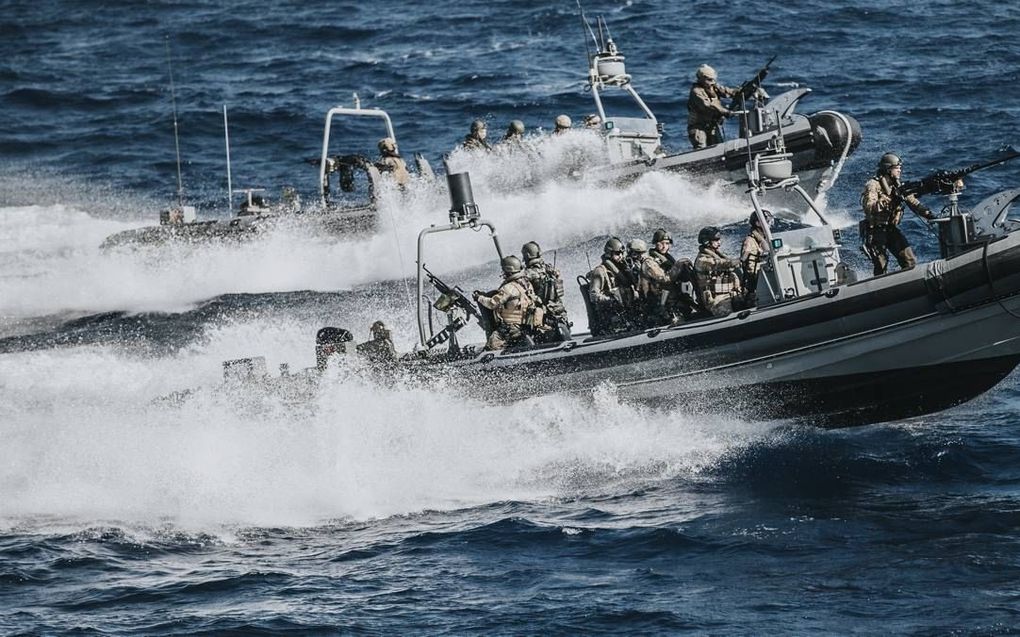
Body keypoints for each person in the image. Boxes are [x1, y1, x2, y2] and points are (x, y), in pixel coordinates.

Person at [860, 153, 936, 275]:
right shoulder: (873, 185)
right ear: (888, 169)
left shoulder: (897, 186)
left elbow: (913, 202)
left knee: (909, 260)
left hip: (890, 229)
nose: (900, 171)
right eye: (897, 168)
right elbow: (869, 207)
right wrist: (889, 200)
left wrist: (927, 213)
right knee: (881, 266)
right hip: (875, 231)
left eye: (900, 168)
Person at [474, 256, 538, 351]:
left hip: (512, 327)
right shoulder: (527, 284)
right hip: (526, 325)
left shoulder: (508, 288)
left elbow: (492, 304)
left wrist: (479, 298)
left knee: (492, 345)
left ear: (508, 271)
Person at [522, 241, 571, 341]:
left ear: (527, 256)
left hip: (544, 313)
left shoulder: (528, 274)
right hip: (559, 310)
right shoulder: (549, 269)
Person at [587, 237, 636, 332]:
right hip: (611, 314)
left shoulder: (623, 269)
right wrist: (610, 300)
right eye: (617, 253)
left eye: (622, 253)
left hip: (627, 311)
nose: (620, 256)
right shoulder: (600, 271)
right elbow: (593, 295)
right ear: (609, 254)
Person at [694, 226, 743, 316]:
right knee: (727, 316)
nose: (719, 243)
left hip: (729, 293)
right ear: (707, 242)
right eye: (716, 240)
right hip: (715, 299)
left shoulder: (717, 254)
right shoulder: (702, 260)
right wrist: (739, 260)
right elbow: (720, 263)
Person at [687, 64, 738, 149]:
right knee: (701, 149)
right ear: (702, 79)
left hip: (712, 126)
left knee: (720, 148)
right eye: (709, 80)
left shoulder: (713, 87)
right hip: (699, 127)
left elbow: (727, 91)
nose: (713, 82)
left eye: (713, 79)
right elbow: (708, 105)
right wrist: (725, 112)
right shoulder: (696, 92)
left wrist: (740, 91)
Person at [740, 210, 773, 305]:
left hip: (764, 279)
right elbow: (748, 266)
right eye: (767, 221)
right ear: (758, 223)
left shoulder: (764, 239)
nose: (769, 224)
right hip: (756, 284)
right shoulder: (750, 241)